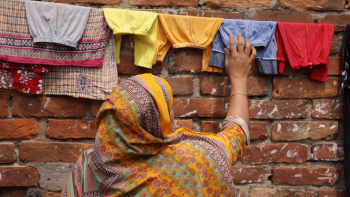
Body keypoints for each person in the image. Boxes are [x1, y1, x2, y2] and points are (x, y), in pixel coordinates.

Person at [61, 33, 256, 197]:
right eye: (167, 107)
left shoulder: (89, 166)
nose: (172, 112)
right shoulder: (193, 160)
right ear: (158, 122)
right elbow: (237, 132)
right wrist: (239, 78)